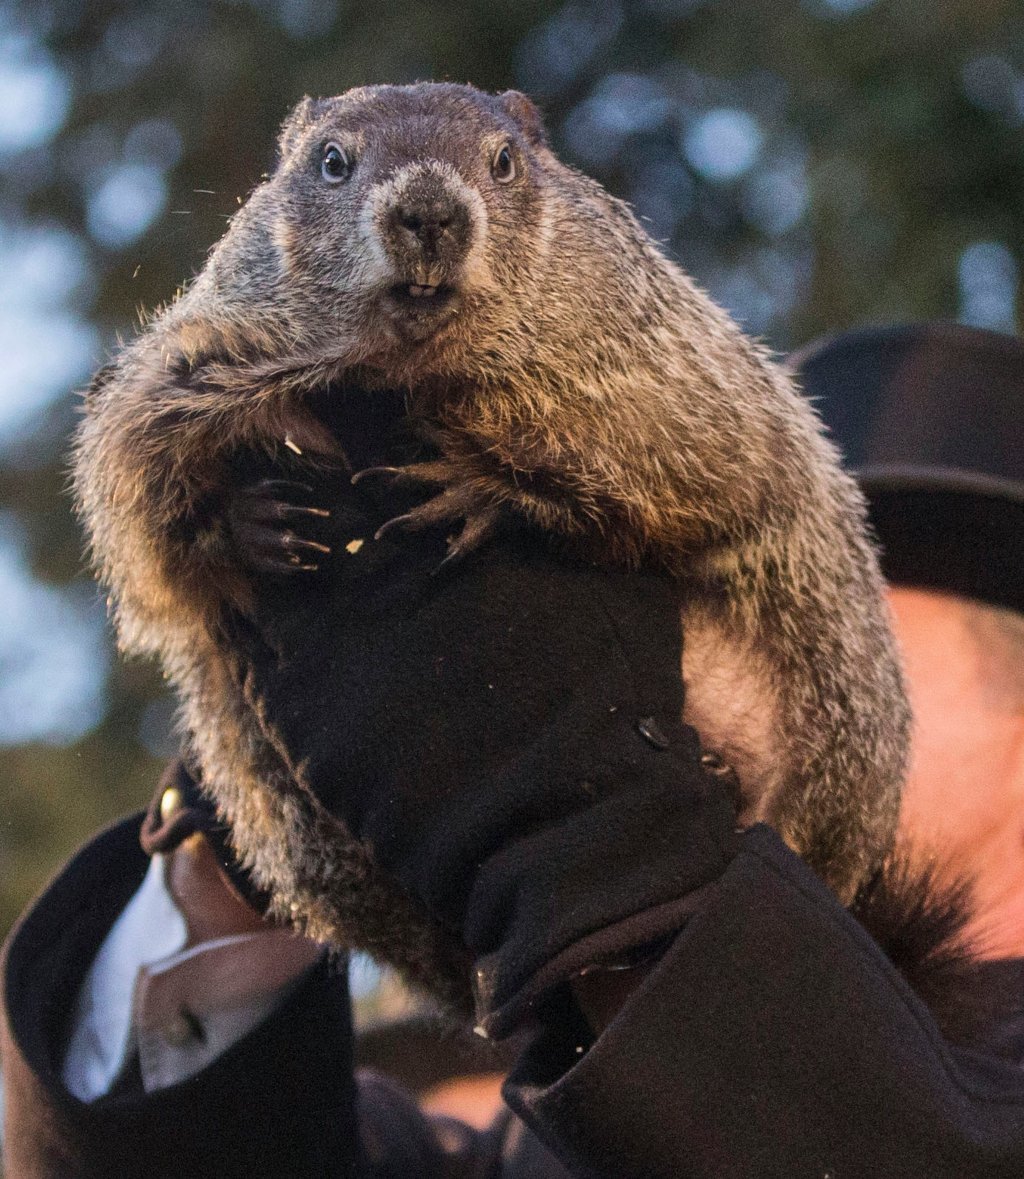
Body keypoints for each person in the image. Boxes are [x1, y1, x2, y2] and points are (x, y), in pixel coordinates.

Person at [2, 322, 1024, 1178]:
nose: (698, 658)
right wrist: (253, 824)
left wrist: (596, 837)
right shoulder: (538, 1132)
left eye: (819, 619)